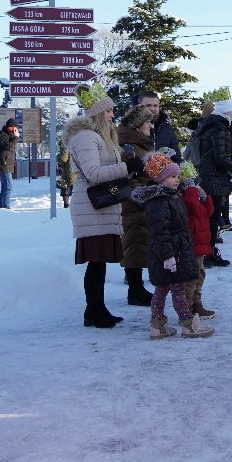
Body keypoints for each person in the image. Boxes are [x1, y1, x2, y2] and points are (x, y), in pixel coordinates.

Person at [65, 82, 145, 329]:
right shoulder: (86, 136)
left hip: (101, 205)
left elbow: (105, 168)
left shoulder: (99, 136)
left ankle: (97, 309)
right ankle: (93, 311)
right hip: (91, 206)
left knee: (98, 263)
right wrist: (126, 167)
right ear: (98, 112)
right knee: (96, 262)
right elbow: (93, 173)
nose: (112, 115)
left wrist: (128, 166)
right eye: (108, 111)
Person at [132, 153, 214, 339]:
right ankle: (188, 324)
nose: (177, 180)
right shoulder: (159, 201)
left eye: (178, 176)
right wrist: (168, 256)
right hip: (169, 254)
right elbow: (161, 232)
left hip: (173, 252)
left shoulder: (171, 197)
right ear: (161, 178)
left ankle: (158, 325)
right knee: (177, 290)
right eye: (172, 176)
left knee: (163, 289)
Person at [196, 95, 232, 267]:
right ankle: (207, 254)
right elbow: (220, 157)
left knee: (213, 217)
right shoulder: (219, 128)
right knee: (212, 218)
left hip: (213, 175)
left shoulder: (218, 125)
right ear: (226, 111)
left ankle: (209, 252)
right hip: (213, 176)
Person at [118, 105, 156, 306]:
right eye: (148, 122)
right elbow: (129, 175)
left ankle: (137, 288)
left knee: (139, 242)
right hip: (133, 200)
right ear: (138, 124)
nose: (151, 125)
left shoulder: (139, 143)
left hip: (141, 198)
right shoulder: (129, 145)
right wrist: (146, 187)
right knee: (134, 242)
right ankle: (135, 289)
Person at [177, 161, 216, 319]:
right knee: (191, 278)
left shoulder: (194, 195)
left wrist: (205, 198)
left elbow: (209, 212)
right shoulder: (185, 197)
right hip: (193, 243)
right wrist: (191, 190)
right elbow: (191, 207)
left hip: (201, 242)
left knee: (200, 274)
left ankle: (196, 303)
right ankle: (187, 308)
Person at [135, 90, 182, 163]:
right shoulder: (132, 127)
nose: (152, 109)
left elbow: (176, 158)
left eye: (155, 105)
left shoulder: (166, 128)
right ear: (139, 106)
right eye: (148, 105)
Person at [0, 118, 18, 209]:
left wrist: (13, 137)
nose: (14, 130)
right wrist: (15, 137)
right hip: (4, 164)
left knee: (5, 187)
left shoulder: (8, 135)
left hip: (7, 164)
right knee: (8, 186)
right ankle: (6, 207)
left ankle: (3, 207)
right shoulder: (2, 135)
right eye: (13, 128)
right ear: (9, 127)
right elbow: (9, 147)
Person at [56, 140, 74, 209]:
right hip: (80, 172)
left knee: (65, 191)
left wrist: (58, 157)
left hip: (69, 172)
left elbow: (63, 159)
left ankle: (66, 207)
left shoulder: (65, 143)